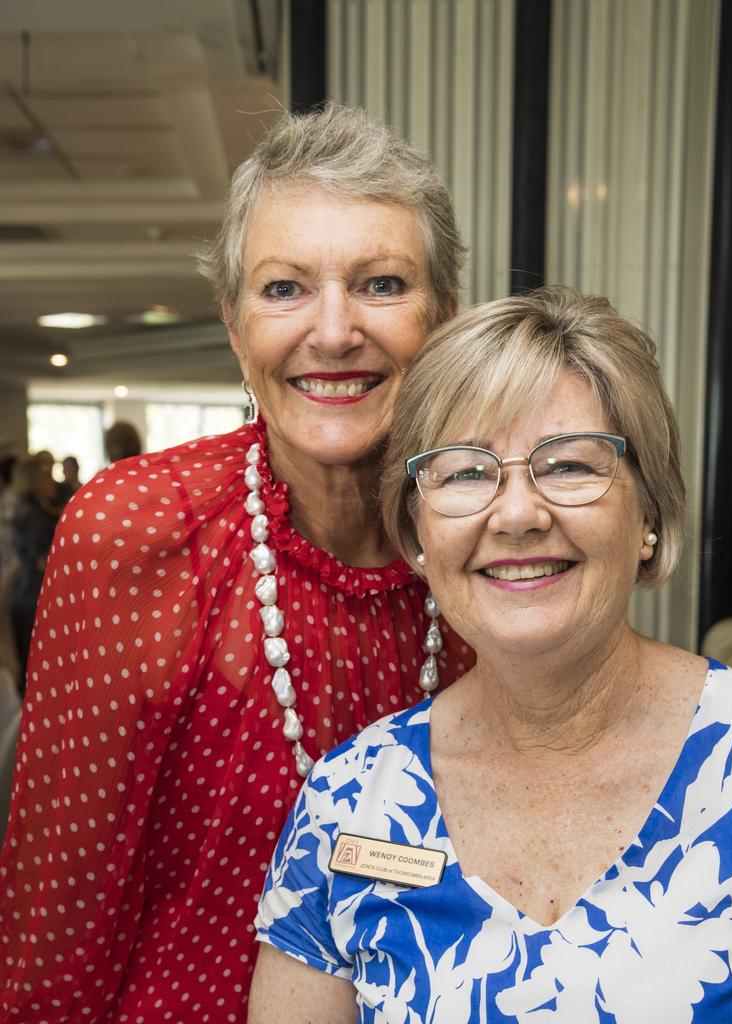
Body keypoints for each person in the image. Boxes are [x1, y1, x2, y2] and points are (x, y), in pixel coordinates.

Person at [0, 103, 473, 1022]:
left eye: (380, 284)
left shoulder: (483, 536)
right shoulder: (136, 533)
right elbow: (53, 920)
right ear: (232, 325)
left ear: (443, 317)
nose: (334, 332)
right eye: (285, 289)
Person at [252, 288, 732, 1022]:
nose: (519, 514)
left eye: (569, 466)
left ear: (649, 511)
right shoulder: (348, 803)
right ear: (419, 533)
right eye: (464, 472)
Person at [8, 456, 58, 681]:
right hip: (33, 596)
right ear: (33, 481)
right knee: (37, 668)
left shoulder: (30, 509)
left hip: (26, 592)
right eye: (46, 476)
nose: (52, 482)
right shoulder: (34, 516)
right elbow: (44, 560)